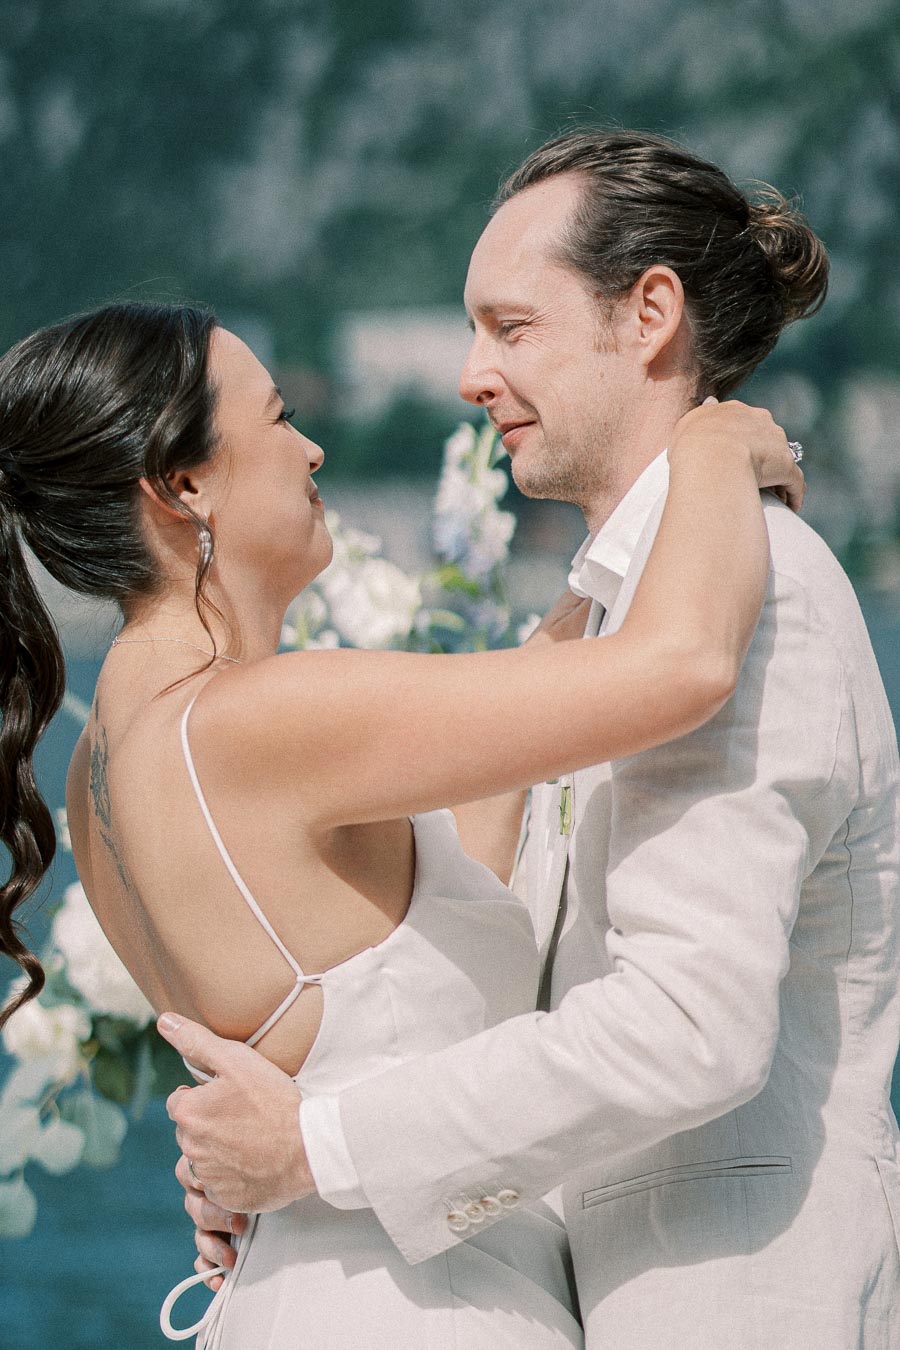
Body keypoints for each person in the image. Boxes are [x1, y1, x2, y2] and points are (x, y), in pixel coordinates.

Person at [170, 130, 900, 1348]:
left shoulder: (761, 585)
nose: (469, 375)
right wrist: (282, 1128)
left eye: (512, 329)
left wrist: (317, 1149)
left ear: (649, 314)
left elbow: (687, 1027)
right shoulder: (598, 633)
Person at [0, 300, 798, 1347]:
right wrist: (720, 442)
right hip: (420, 1312)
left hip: (299, 1298)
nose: (313, 446)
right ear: (183, 484)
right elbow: (687, 665)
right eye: (280, 419)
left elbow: (420, 911)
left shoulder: (111, 766)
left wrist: (570, 617)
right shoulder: (259, 720)